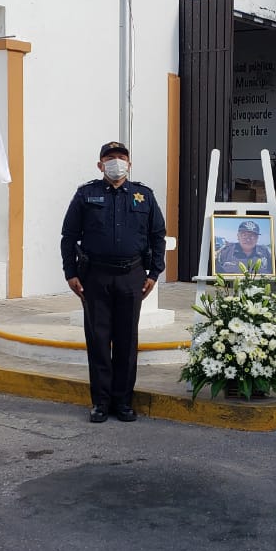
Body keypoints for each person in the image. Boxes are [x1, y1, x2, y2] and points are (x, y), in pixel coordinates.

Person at [61, 141, 166, 424]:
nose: (116, 162)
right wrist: (70, 273)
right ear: (100, 165)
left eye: (121, 157)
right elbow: (68, 236)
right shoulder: (86, 195)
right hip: (95, 277)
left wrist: (154, 273)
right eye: (110, 158)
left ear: (129, 164)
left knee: (126, 341)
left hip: (132, 276)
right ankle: (100, 402)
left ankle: (123, 402)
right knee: (97, 341)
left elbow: (158, 236)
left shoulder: (144, 195)